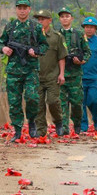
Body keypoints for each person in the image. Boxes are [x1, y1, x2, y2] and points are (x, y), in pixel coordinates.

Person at [0, 0, 47, 142]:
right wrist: (4, 49)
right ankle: (17, 130)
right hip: (13, 71)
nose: (22, 11)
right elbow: (0, 43)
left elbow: (45, 46)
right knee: (14, 102)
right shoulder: (10, 26)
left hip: (31, 69)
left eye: (25, 8)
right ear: (16, 9)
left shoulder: (36, 27)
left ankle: (31, 122)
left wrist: (35, 51)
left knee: (32, 98)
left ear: (29, 9)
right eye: (20, 8)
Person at [33, 9, 67, 138]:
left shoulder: (56, 37)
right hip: (37, 76)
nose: (40, 21)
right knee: (38, 104)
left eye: (43, 19)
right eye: (39, 19)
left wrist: (62, 74)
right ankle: (41, 130)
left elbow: (61, 57)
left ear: (50, 20)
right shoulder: (34, 36)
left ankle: (58, 121)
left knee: (53, 101)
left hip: (53, 76)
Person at [58, 7, 91, 135]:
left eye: (67, 16)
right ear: (59, 19)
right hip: (60, 74)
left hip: (75, 75)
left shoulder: (78, 35)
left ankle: (77, 123)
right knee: (62, 103)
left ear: (71, 18)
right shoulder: (56, 35)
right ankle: (64, 128)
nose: (65, 18)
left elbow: (88, 52)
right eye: (62, 16)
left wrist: (82, 61)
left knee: (77, 103)